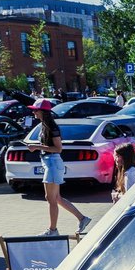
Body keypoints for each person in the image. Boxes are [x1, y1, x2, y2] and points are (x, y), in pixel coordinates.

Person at [26, 99, 92, 236]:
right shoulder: (45, 125)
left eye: (35, 110)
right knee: (56, 198)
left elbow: (58, 148)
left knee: (51, 199)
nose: (33, 112)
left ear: (42, 112)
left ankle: (53, 230)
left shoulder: (52, 127)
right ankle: (82, 218)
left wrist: (36, 147)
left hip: (53, 162)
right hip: (49, 162)